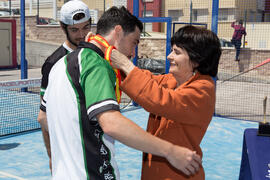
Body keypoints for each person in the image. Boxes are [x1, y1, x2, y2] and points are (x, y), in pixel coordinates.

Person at [39, 7, 201, 179]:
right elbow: (111, 123)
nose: (132, 52)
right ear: (118, 32)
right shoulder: (94, 63)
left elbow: (43, 118)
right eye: (134, 42)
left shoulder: (58, 65)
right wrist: (170, 151)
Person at [108, 25, 221, 180]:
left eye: (177, 52)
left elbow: (158, 100)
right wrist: (107, 53)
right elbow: (146, 80)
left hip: (178, 174)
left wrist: (125, 64)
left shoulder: (202, 90)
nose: (169, 56)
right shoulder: (174, 81)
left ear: (195, 60)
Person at [37, 0, 91, 170]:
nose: (82, 35)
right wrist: (52, 155)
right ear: (62, 27)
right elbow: (44, 116)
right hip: (69, 152)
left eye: (86, 27)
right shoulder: (53, 63)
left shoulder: (93, 54)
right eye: (75, 30)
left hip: (93, 146)